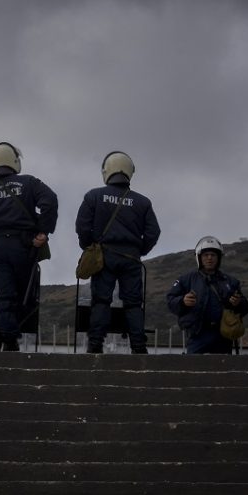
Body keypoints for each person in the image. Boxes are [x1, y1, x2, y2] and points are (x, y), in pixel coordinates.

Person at [0, 141, 58, 352]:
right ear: (14, 161)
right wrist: (42, 232)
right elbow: (50, 201)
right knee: (26, 296)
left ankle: (0, 338)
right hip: (23, 246)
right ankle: (7, 341)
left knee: (7, 296)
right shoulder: (28, 183)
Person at [74, 151, 161, 354]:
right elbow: (153, 232)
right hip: (131, 258)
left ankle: (95, 345)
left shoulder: (93, 196)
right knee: (133, 304)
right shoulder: (143, 202)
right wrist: (140, 250)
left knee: (101, 301)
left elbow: (82, 227)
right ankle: (139, 347)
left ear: (107, 171)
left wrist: (90, 247)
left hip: (104, 256)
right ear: (129, 172)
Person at [166, 236, 248, 354]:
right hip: (198, 335)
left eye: (213, 255)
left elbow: (246, 307)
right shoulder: (186, 279)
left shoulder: (231, 282)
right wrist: (182, 301)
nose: (209, 258)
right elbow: (170, 301)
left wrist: (238, 303)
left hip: (223, 335)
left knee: (223, 370)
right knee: (193, 369)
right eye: (206, 255)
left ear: (219, 258)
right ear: (199, 257)